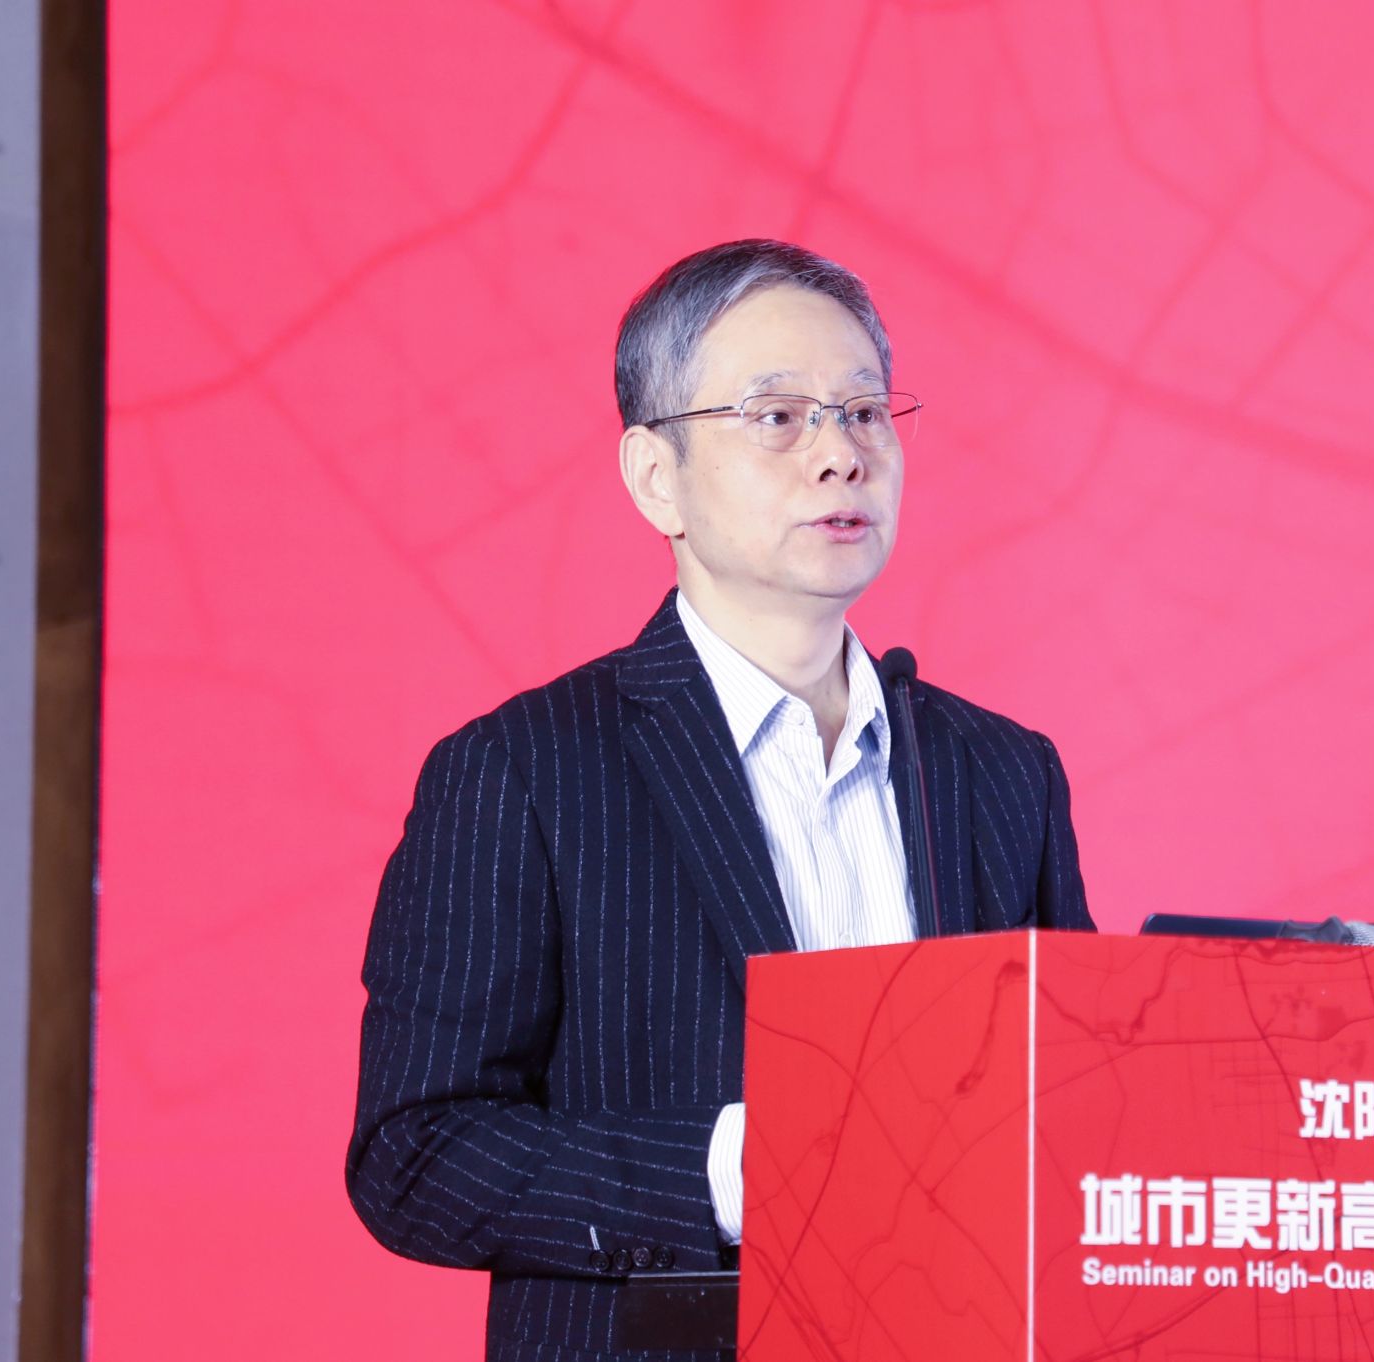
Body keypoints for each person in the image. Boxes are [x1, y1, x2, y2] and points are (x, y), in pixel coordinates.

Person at [346, 239, 1093, 1362]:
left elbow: (1068, 1106)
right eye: (777, 418)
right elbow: (416, 1154)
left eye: (865, 413)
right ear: (656, 476)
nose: (840, 456)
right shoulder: (523, 769)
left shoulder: (1000, 770)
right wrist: (734, 1171)